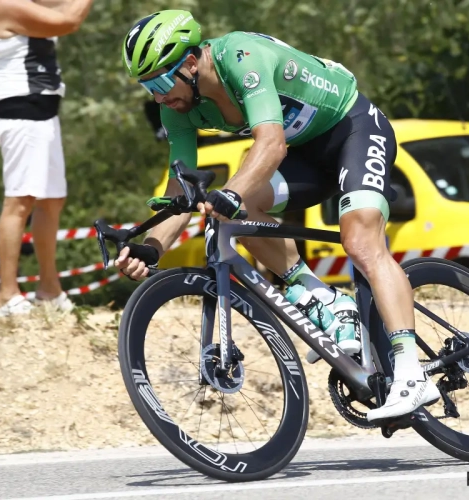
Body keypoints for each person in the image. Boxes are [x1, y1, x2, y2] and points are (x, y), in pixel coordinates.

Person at [115, 10, 440, 423]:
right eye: (148, 87)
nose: (159, 97)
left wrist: (231, 192)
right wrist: (150, 246)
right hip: (305, 154)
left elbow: (270, 145)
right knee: (235, 212)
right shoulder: (176, 107)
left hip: (353, 128)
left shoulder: (240, 57)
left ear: (192, 64)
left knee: (360, 242)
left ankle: (411, 374)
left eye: (161, 82)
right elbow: (180, 191)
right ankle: (324, 300)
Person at [0, 0, 94, 316]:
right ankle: (7, 294)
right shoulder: (2, 4)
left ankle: (49, 290)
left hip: (42, 112)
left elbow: (63, 6)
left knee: (52, 200)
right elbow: (69, 20)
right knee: (20, 201)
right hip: (19, 112)